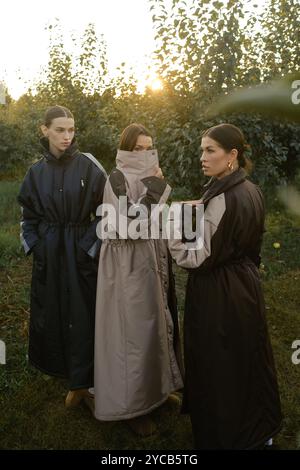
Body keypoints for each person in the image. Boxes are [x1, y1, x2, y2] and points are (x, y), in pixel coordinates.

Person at [168, 123, 282, 449]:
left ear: (232, 155)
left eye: (210, 150)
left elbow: (197, 258)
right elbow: (249, 243)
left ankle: (229, 436)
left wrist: (173, 229)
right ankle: (262, 429)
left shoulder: (222, 198)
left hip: (218, 292)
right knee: (249, 357)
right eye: (201, 150)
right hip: (246, 284)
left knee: (218, 362)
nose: (202, 157)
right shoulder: (252, 190)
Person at [93, 123, 184, 436]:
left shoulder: (151, 175)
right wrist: (156, 189)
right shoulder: (115, 178)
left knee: (154, 329)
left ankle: (156, 394)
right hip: (126, 268)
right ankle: (130, 407)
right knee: (129, 337)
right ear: (126, 149)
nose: (145, 153)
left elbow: (156, 217)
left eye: (149, 147)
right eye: (138, 149)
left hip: (150, 261)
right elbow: (127, 226)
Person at [17, 105, 106, 411]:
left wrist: (87, 246)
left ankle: (89, 382)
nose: (67, 136)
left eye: (71, 129)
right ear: (45, 130)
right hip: (50, 252)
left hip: (80, 251)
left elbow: (107, 212)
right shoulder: (35, 172)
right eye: (60, 130)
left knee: (85, 315)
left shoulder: (89, 167)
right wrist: (37, 246)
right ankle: (68, 378)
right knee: (53, 312)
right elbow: (27, 216)